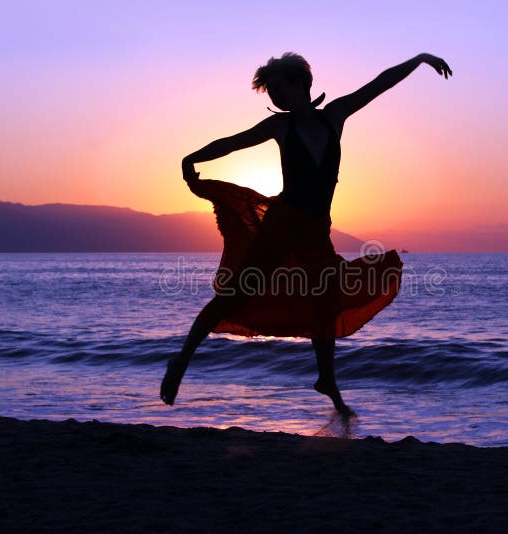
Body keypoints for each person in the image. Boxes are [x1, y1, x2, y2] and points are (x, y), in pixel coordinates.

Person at [160, 52, 452, 415]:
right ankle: (182, 361)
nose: (276, 98)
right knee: (235, 296)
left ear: (301, 84)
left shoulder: (335, 116)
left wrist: (420, 59)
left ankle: (327, 380)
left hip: (316, 232)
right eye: (271, 93)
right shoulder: (279, 127)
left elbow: (380, 84)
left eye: (280, 88)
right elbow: (232, 142)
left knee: (325, 301)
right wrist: (191, 158)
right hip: (281, 228)